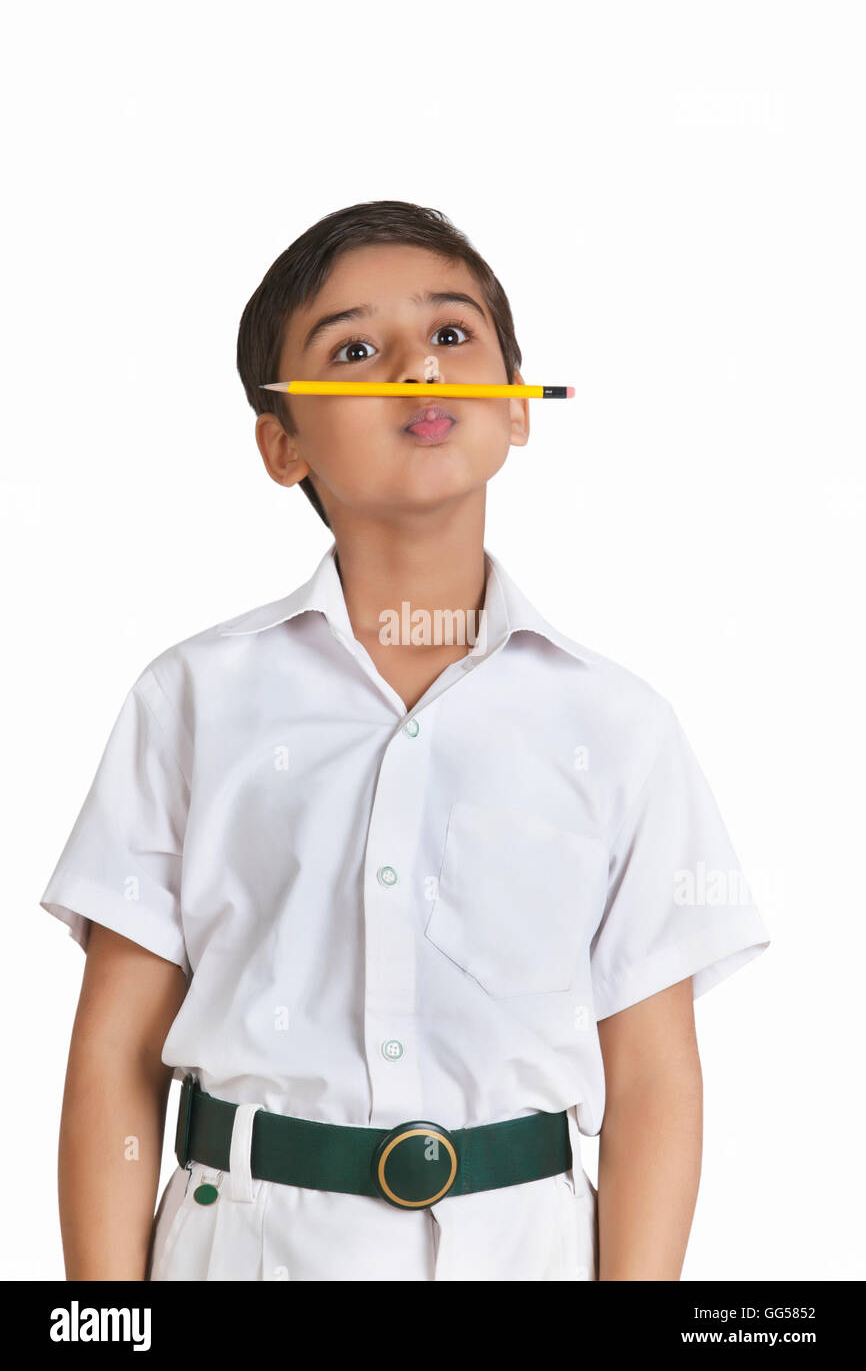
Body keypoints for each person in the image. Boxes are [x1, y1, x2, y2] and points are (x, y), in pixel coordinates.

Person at [39, 199, 771, 1281]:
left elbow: (654, 1079)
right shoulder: (191, 699)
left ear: (516, 408)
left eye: (449, 334)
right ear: (280, 444)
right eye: (353, 349)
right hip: (247, 1248)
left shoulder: (614, 727)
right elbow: (112, 1055)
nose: (416, 372)